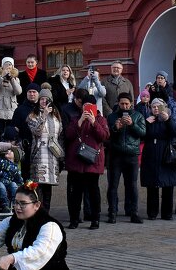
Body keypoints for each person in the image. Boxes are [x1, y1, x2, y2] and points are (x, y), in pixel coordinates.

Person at [63, 99, 109, 229]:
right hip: (76, 162)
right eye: (85, 106)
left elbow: (105, 136)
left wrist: (94, 122)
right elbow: (68, 135)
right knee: (75, 193)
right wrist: (80, 121)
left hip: (92, 162)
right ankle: (74, 219)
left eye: (90, 106)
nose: (87, 109)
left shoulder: (101, 119)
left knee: (94, 192)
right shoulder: (76, 118)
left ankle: (95, 219)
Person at [105, 92, 145, 223]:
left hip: (132, 155)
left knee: (132, 185)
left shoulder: (138, 116)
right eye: (122, 104)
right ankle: (112, 213)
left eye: (127, 104)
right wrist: (115, 128)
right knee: (113, 185)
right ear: (118, 103)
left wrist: (132, 124)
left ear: (131, 104)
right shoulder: (111, 117)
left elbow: (143, 133)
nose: (124, 106)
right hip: (115, 155)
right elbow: (106, 136)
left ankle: (133, 212)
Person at [140, 97, 176, 220]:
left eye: (158, 106)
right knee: (152, 185)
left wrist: (168, 120)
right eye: (153, 106)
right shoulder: (148, 119)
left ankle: (167, 213)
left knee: (168, 185)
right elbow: (142, 135)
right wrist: (145, 123)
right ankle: (152, 212)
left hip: (166, 154)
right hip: (151, 154)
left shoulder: (169, 119)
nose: (156, 108)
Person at [25, 93, 64, 212]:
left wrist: (61, 155)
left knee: (48, 187)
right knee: (38, 187)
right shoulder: (33, 116)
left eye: (46, 99)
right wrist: (44, 116)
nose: (44, 101)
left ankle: (46, 214)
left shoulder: (56, 116)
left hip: (52, 157)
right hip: (39, 156)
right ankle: (37, 214)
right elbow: (37, 132)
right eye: (41, 99)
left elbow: (60, 135)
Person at [0, 57, 22, 137]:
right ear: (2, 66)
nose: (8, 67)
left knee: (10, 132)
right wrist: (1, 77)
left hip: (11, 109)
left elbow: (18, 92)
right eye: (6, 65)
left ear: (13, 67)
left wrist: (12, 80)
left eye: (10, 65)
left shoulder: (16, 79)